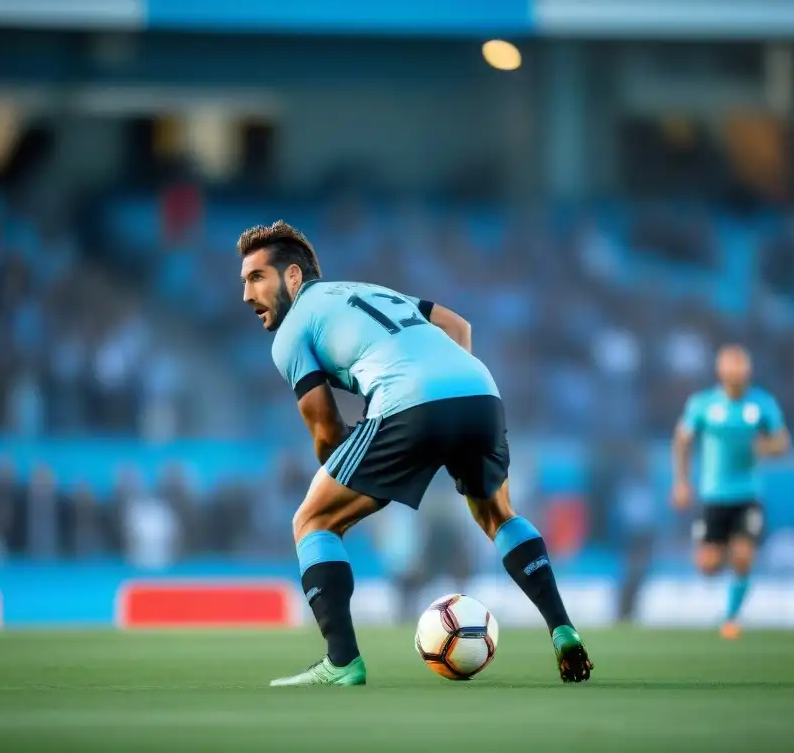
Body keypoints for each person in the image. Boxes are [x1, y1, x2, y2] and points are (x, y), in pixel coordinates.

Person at [239, 220, 592, 686]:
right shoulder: (371, 291)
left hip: (408, 403)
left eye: (256, 277)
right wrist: (446, 421)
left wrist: (360, 470)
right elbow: (456, 324)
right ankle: (562, 628)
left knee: (313, 521)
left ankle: (342, 663)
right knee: (498, 514)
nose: (247, 294)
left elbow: (325, 430)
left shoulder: (290, 333)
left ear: (292, 278)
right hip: (479, 392)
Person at [671, 345, 790, 639]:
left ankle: (730, 618)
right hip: (713, 495)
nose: (736, 372)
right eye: (731, 365)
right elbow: (683, 440)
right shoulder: (703, 404)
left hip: (748, 494)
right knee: (709, 565)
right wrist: (682, 482)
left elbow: (782, 441)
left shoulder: (762, 404)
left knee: (743, 555)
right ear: (721, 371)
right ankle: (722, 550)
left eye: (741, 365)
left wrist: (767, 447)